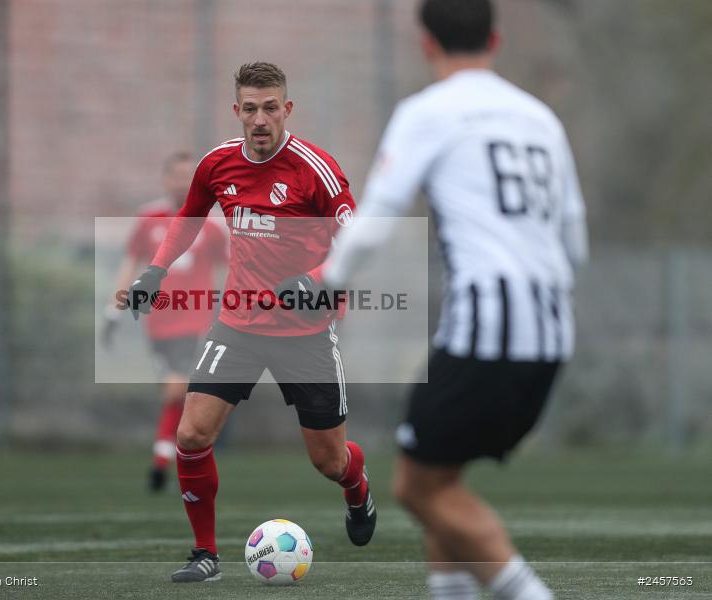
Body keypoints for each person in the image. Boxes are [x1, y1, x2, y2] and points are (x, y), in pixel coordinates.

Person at [322, 1, 589, 599]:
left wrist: (327, 283)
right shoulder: (541, 118)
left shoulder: (428, 111)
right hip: (551, 330)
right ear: (495, 39)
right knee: (444, 479)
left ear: (426, 45)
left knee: (416, 489)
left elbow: (377, 217)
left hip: (488, 328)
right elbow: (574, 238)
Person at [127, 62, 376, 583]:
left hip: (305, 333)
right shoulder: (217, 164)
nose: (259, 119)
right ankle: (205, 555)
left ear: (287, 110)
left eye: (270, 108)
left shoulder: (317, 170)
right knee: (192, 435)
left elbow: (355, 242)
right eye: (250, 108)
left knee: (329, 462)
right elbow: (190, 217)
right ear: (236, 110)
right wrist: (156, 269)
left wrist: (315, 279)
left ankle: (358, 490)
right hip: (238, 324)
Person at [103, 151, 228, 492]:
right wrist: (114, 309)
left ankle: (162, 462)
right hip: (158, 322)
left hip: (196, 321)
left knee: (178, 389)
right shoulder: (150, 218)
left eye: (190, 176)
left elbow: (229, 267)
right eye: (176, 175)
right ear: (165, 179)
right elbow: (131, 263)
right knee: (178, 394)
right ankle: (173, 454)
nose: (182, 182)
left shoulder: (212, 225)